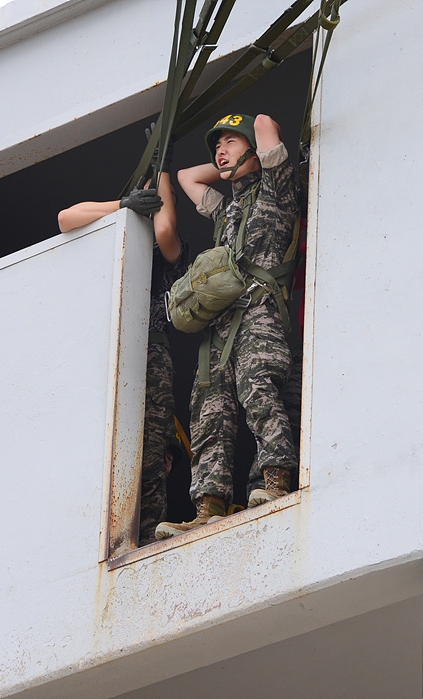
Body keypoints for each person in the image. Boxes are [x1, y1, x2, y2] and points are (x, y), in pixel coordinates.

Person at [155, 113, 300, 540]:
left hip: (259, 312)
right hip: (221, 326)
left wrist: (250, 144)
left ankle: (274, 480)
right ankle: (208, 506)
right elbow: (186, 177)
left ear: (254, 150)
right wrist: (226, 163)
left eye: (230, 143)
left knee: (259, 389)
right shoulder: (227, 208)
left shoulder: (277, 186)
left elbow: (265, 123)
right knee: (209, 409)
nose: (220, 151)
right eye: (216, 146)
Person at [57, 165, 188, 547]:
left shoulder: (170, 253)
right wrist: (123, 205)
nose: (150, 205)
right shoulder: (114, 238)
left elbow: (164, 228)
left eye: (156, 201)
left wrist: (163, 171)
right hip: (108, 356)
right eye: (146, 198)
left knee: (150, 454)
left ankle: (145, 538)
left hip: (151, 354)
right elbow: (66, 219)